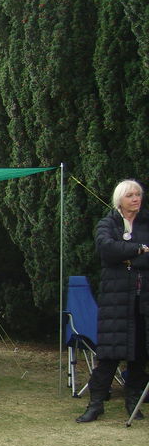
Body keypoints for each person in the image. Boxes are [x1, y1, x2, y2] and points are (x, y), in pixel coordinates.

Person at [77, 179, 149, 422]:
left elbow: (126, 256)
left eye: (138, 194)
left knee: (139, 354)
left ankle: (133, 402)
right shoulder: (108, 223)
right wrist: (138, 249)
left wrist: (128, 256)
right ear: (120, 199)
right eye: (130, 195)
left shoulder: (146, 223)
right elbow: (107, 250)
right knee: (108, 356)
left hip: (142, 301)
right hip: (115, 301)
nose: (136, 199)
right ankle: (96, 404)